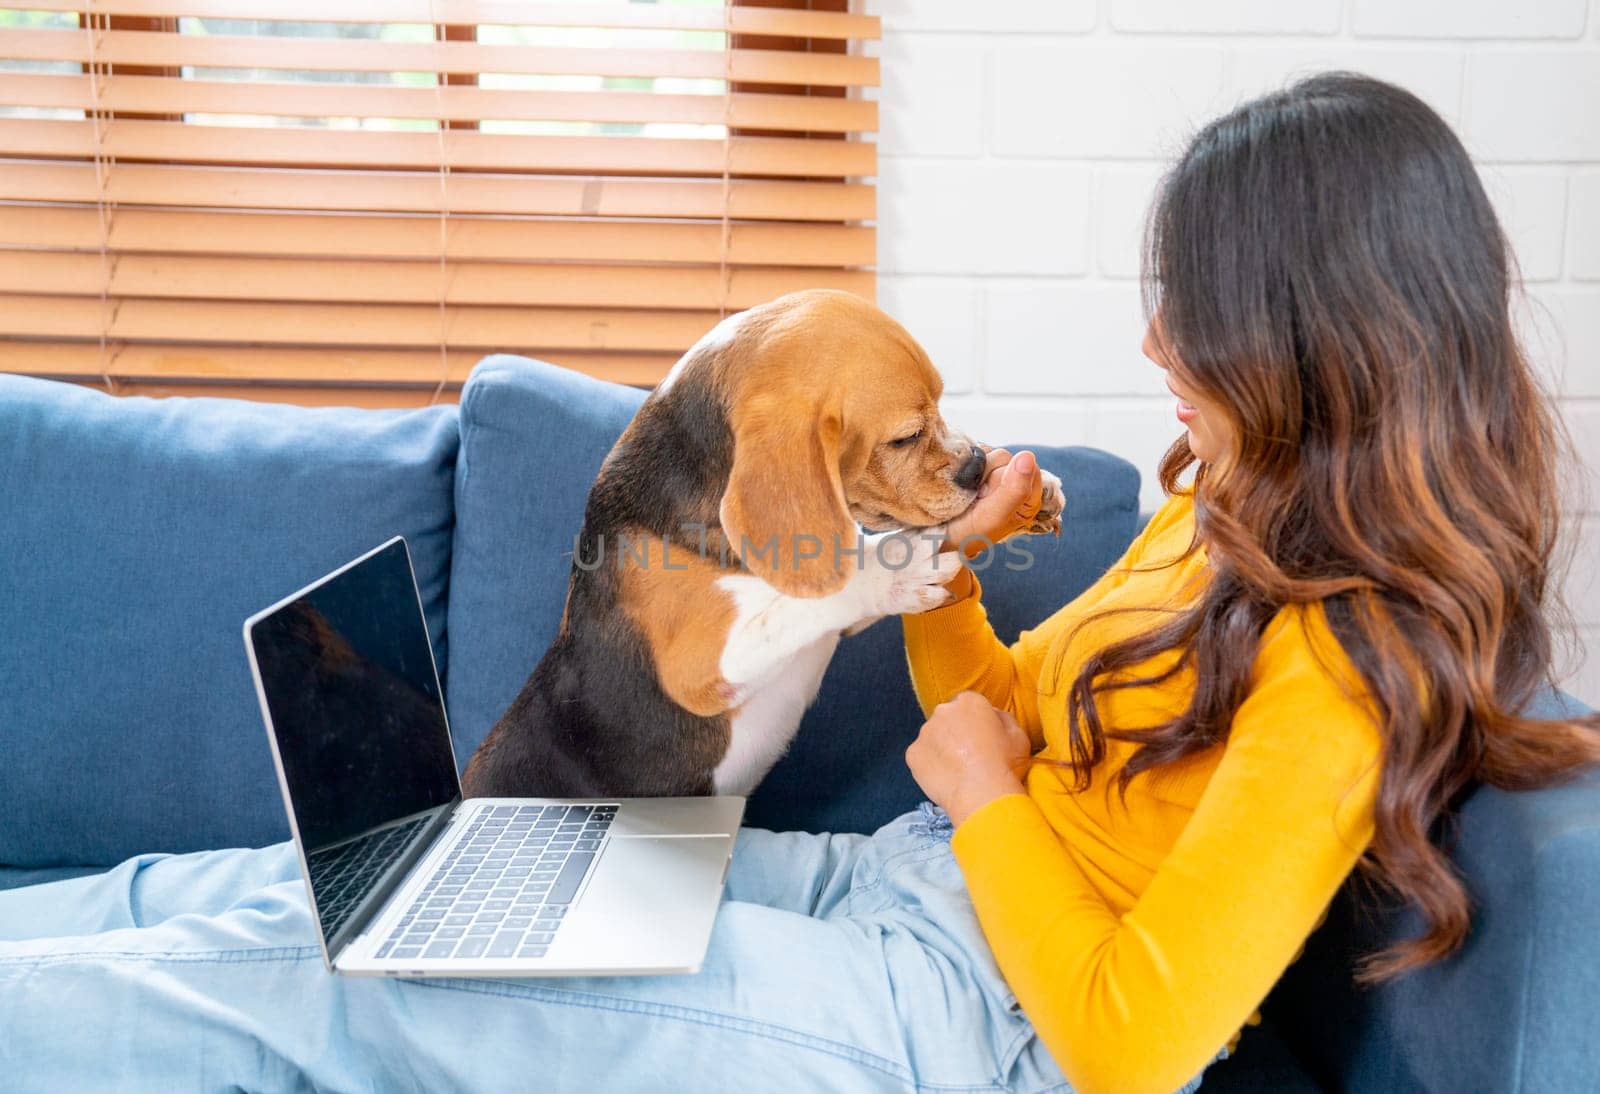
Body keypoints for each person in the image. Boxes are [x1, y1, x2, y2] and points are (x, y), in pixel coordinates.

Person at [3, 73, 1597, 1094]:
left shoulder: (1346, 666)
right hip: (905, 892)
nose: (1156, 350)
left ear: (1327, 341)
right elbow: (986, 719)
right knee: (372, 887)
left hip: (972, 1021)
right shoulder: (1243, 512)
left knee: (355, 992)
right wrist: (949, 588)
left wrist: (984, 801)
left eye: (1200, 317)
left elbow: (1135, 1044)